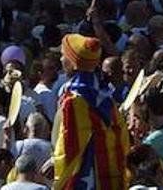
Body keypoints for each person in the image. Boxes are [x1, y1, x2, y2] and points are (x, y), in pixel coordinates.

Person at [52, 34, 129, 190]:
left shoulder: (73, 100)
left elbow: (69, 144)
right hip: (109, 172)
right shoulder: (104, 93)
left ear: (73, 63)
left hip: (86, 177)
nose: (60, 60)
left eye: (63, 55)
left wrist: (57, 172)